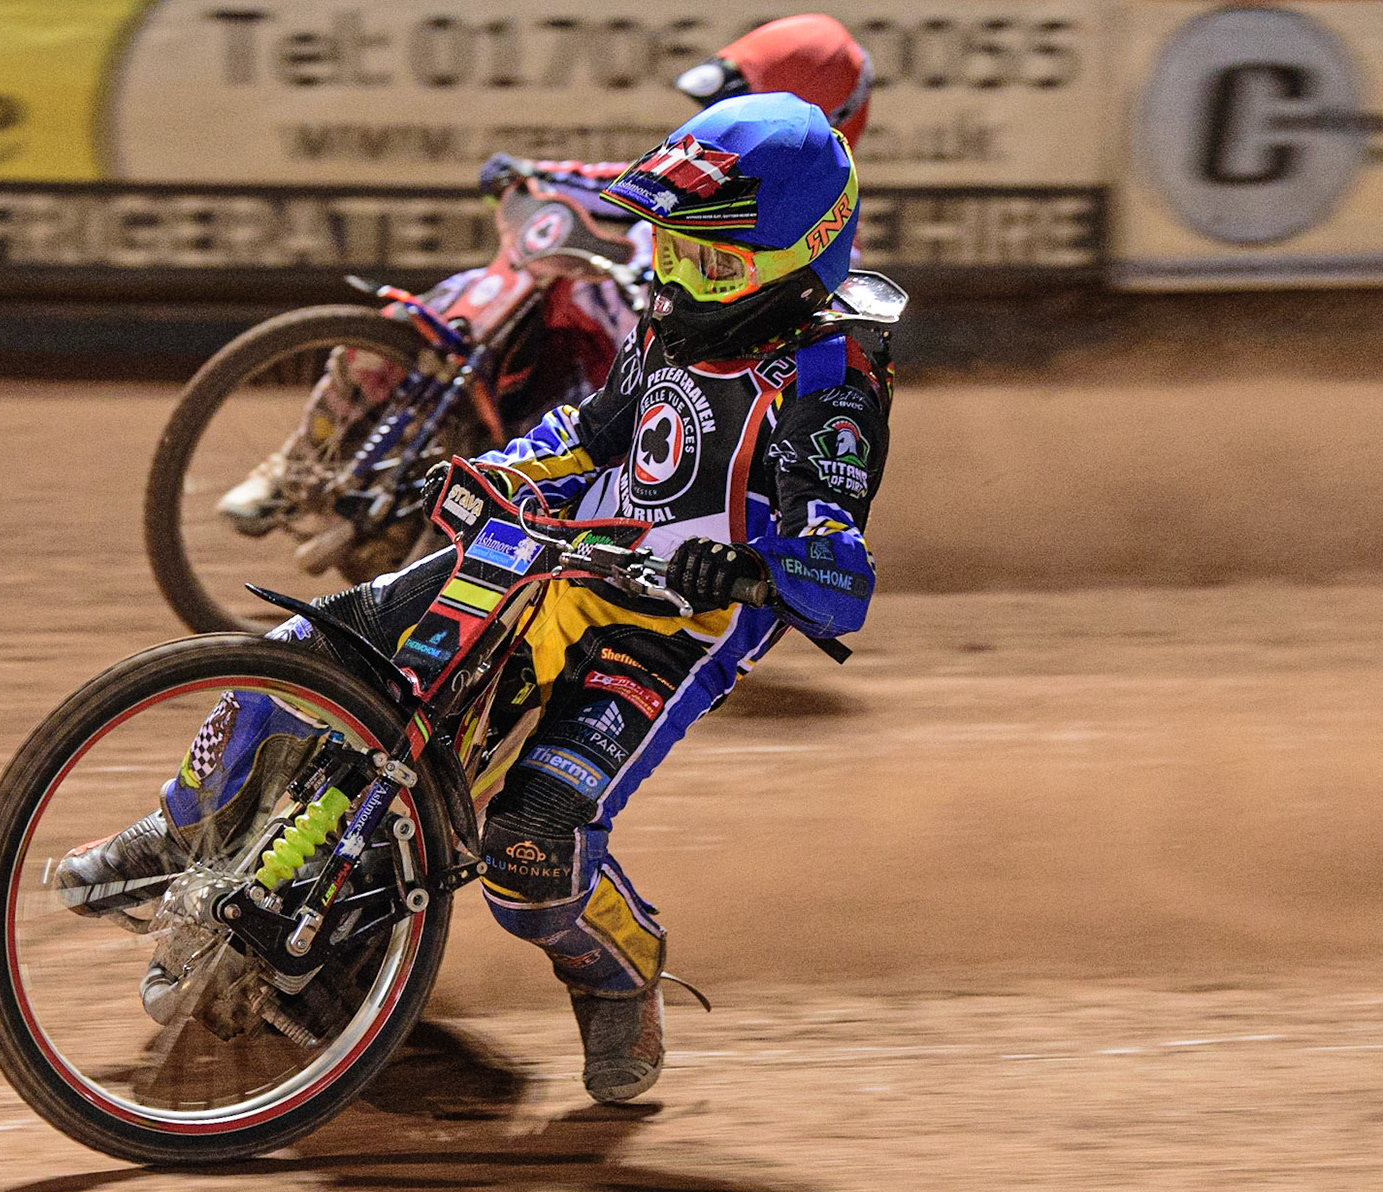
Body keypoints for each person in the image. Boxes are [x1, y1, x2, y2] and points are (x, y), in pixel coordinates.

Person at [67, 92, 892, 1104]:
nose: (676, 279)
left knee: (531, 850)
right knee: (304, 654)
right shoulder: (671, 319)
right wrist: (491, 471)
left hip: (676, 628)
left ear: (801, 258)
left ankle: (618, 974)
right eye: (668, 251)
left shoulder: (830, 377)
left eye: (708, 263)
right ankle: (175, 829)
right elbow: (588, 434)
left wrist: (760, 567)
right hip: (553, 554)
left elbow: (837, 567)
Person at [217, 14, 874, 525]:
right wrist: (534, 175)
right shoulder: (699, 170)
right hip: (603, 334)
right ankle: (298, 463)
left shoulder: (821, 242)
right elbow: (607, 183)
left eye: (744, 97)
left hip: (659, 404)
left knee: (583, 499)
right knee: (449, 300)